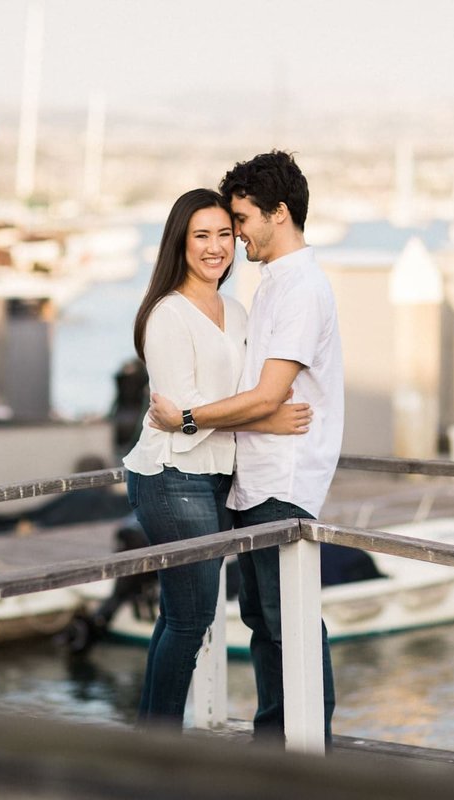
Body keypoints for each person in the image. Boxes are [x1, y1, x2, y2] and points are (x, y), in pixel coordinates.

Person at [149, 151, 344, 747]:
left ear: (277, 214)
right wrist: (255, 420)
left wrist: (186, 418)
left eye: (239, 219)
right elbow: (260, 404)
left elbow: (266, 395)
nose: (233, 235)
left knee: (291, 627)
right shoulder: (272, 287)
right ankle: (275, 750)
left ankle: (309, 754)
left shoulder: (300, 290)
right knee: (266, 624)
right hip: (255, 479)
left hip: (282, 485)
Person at [123, 187, 312, 730]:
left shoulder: (234, 308)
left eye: (224, 234)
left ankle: (149, 738)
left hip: (215, 477)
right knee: (191, 617)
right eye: (201, 236)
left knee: (180, 613)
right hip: (170, 475)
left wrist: (252, 410)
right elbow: (185, 414)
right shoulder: (167, 314)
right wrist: (267, 418)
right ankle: (156, 749)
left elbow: (229, 398)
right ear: (179, 243)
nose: (216, 248)